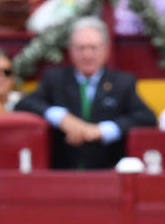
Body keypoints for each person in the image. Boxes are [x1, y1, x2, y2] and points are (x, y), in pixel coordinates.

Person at [17, 16, 156, 169]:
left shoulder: (123, 82)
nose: (87, 55)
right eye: (81, 48)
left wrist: (102, 131)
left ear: (106, 50)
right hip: (62, 172)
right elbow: (25, 104)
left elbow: (147, 117)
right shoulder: (54, 79)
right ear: (70, 50)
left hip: (107, 171)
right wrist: (62, 118)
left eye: (93, 48)